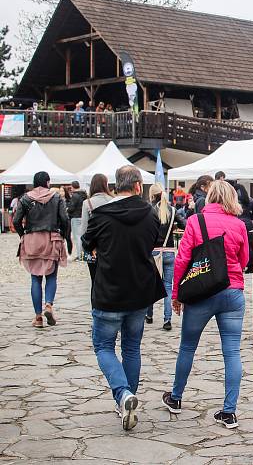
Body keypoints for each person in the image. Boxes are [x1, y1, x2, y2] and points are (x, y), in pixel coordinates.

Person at [82, 165, 163, 431]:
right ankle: (126, 399)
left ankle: (123, 395)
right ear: (139, 186)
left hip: (109, 291)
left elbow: (86, 243)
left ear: (117, 186)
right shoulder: (150, 215)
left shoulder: (101, 214)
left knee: (104, 346)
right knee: (131, 347)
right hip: (139, 292)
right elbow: (153, 243)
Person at [163, 180, 249, 429]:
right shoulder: (239, 224)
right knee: (232, 352)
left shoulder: (195, 221)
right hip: (232, 292)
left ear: (210, 196)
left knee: (188, 347)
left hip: (201, 293)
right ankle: (229, 411)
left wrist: (177, 294)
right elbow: (243, 260)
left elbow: (182, 260)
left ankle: (176, 398)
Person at [13, 171, 71, 328]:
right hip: (51, 238)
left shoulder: (25, 198)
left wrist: (23, 235)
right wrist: (65, 236)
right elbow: (65, 219)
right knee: (51, 276)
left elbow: (16, 220)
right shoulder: (56, 197)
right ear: (47, 182)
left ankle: (38, 318)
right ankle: (49, 305)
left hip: (32, 240)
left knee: (35, 279)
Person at [145, 183, 186, 330]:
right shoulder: (172, 210)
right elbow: (185, 225)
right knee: (168, 287)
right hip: (169, 252)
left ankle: (149, 315)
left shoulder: (149, 210)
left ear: (151, 195)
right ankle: (167, 320)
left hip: (154, 252)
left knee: (150, 285)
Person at [81, 174, 115, 284]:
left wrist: (85, 249)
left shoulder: (87, 203)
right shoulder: (113, 201)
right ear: (106, 184)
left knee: (94, 280)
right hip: (111, 246)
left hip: (93, 248)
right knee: (110, 280)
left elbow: (84, 230)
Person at [67, 181, 88, 261]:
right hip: (83, 216)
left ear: (73, 187)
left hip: (75, 217)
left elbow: (71, 208)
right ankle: (83, 254)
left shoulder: (75, 195)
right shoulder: (84, 194)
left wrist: (67, 209)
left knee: (77, 237)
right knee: (83, 236)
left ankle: (80, 256)